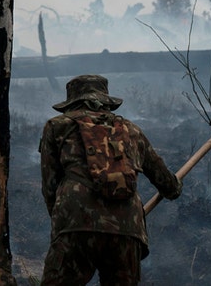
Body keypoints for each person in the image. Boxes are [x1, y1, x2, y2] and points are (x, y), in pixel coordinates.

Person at [40, 74, 183, 285]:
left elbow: (50, 186)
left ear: (72, 101)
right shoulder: (132, 131)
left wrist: (62, 220)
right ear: (106, 101)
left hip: (76, 224)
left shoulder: (56, 127)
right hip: (127, 229)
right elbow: (168, 185)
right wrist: (175, 187)